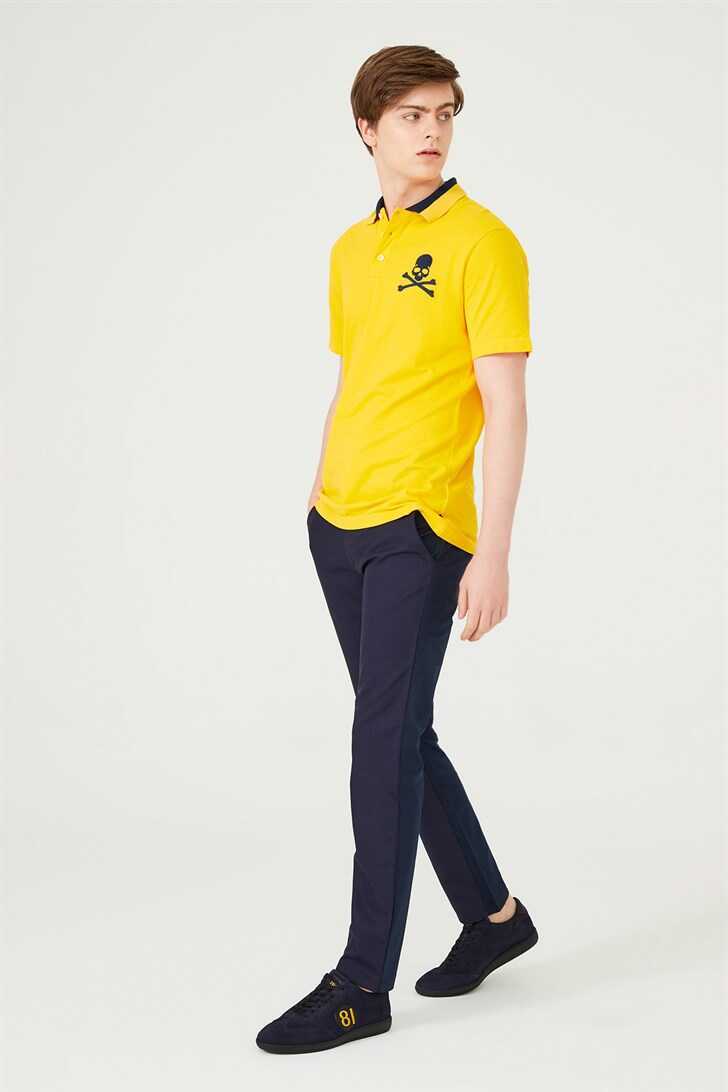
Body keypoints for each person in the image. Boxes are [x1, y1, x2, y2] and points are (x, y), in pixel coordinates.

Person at [256, 44, 539, 1055]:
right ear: (366, 129)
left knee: (379, 741)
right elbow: (357, 379)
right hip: (339, 524)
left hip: (421, 529)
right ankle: (495, 919)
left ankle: (360, 983)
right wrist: (317, 490)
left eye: (444, 113)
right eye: (411, 115)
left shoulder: (483, 243)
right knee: (402, 734)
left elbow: (505, 407)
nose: (432, 131)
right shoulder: (350, 250)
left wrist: (492, 552)